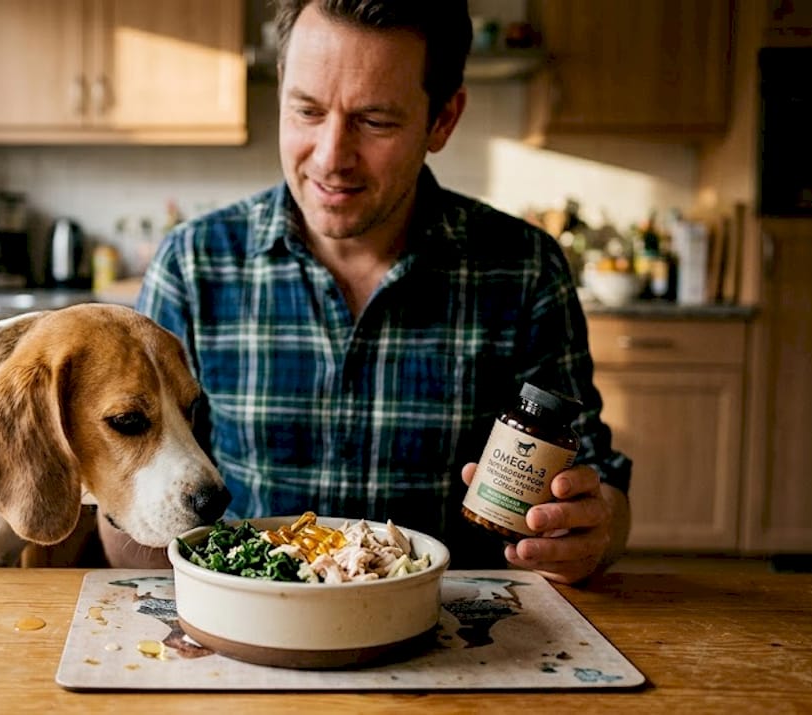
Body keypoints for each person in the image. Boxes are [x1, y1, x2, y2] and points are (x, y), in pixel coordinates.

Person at [99, 0, 631, 585]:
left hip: (458, 636)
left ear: (443, 120)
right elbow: (139, 525)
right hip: (253, 627)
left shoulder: (524, 269)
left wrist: (592, 531)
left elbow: (600, 488)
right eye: (306, 110)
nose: (330, 158)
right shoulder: (195, 265)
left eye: (375, 121)